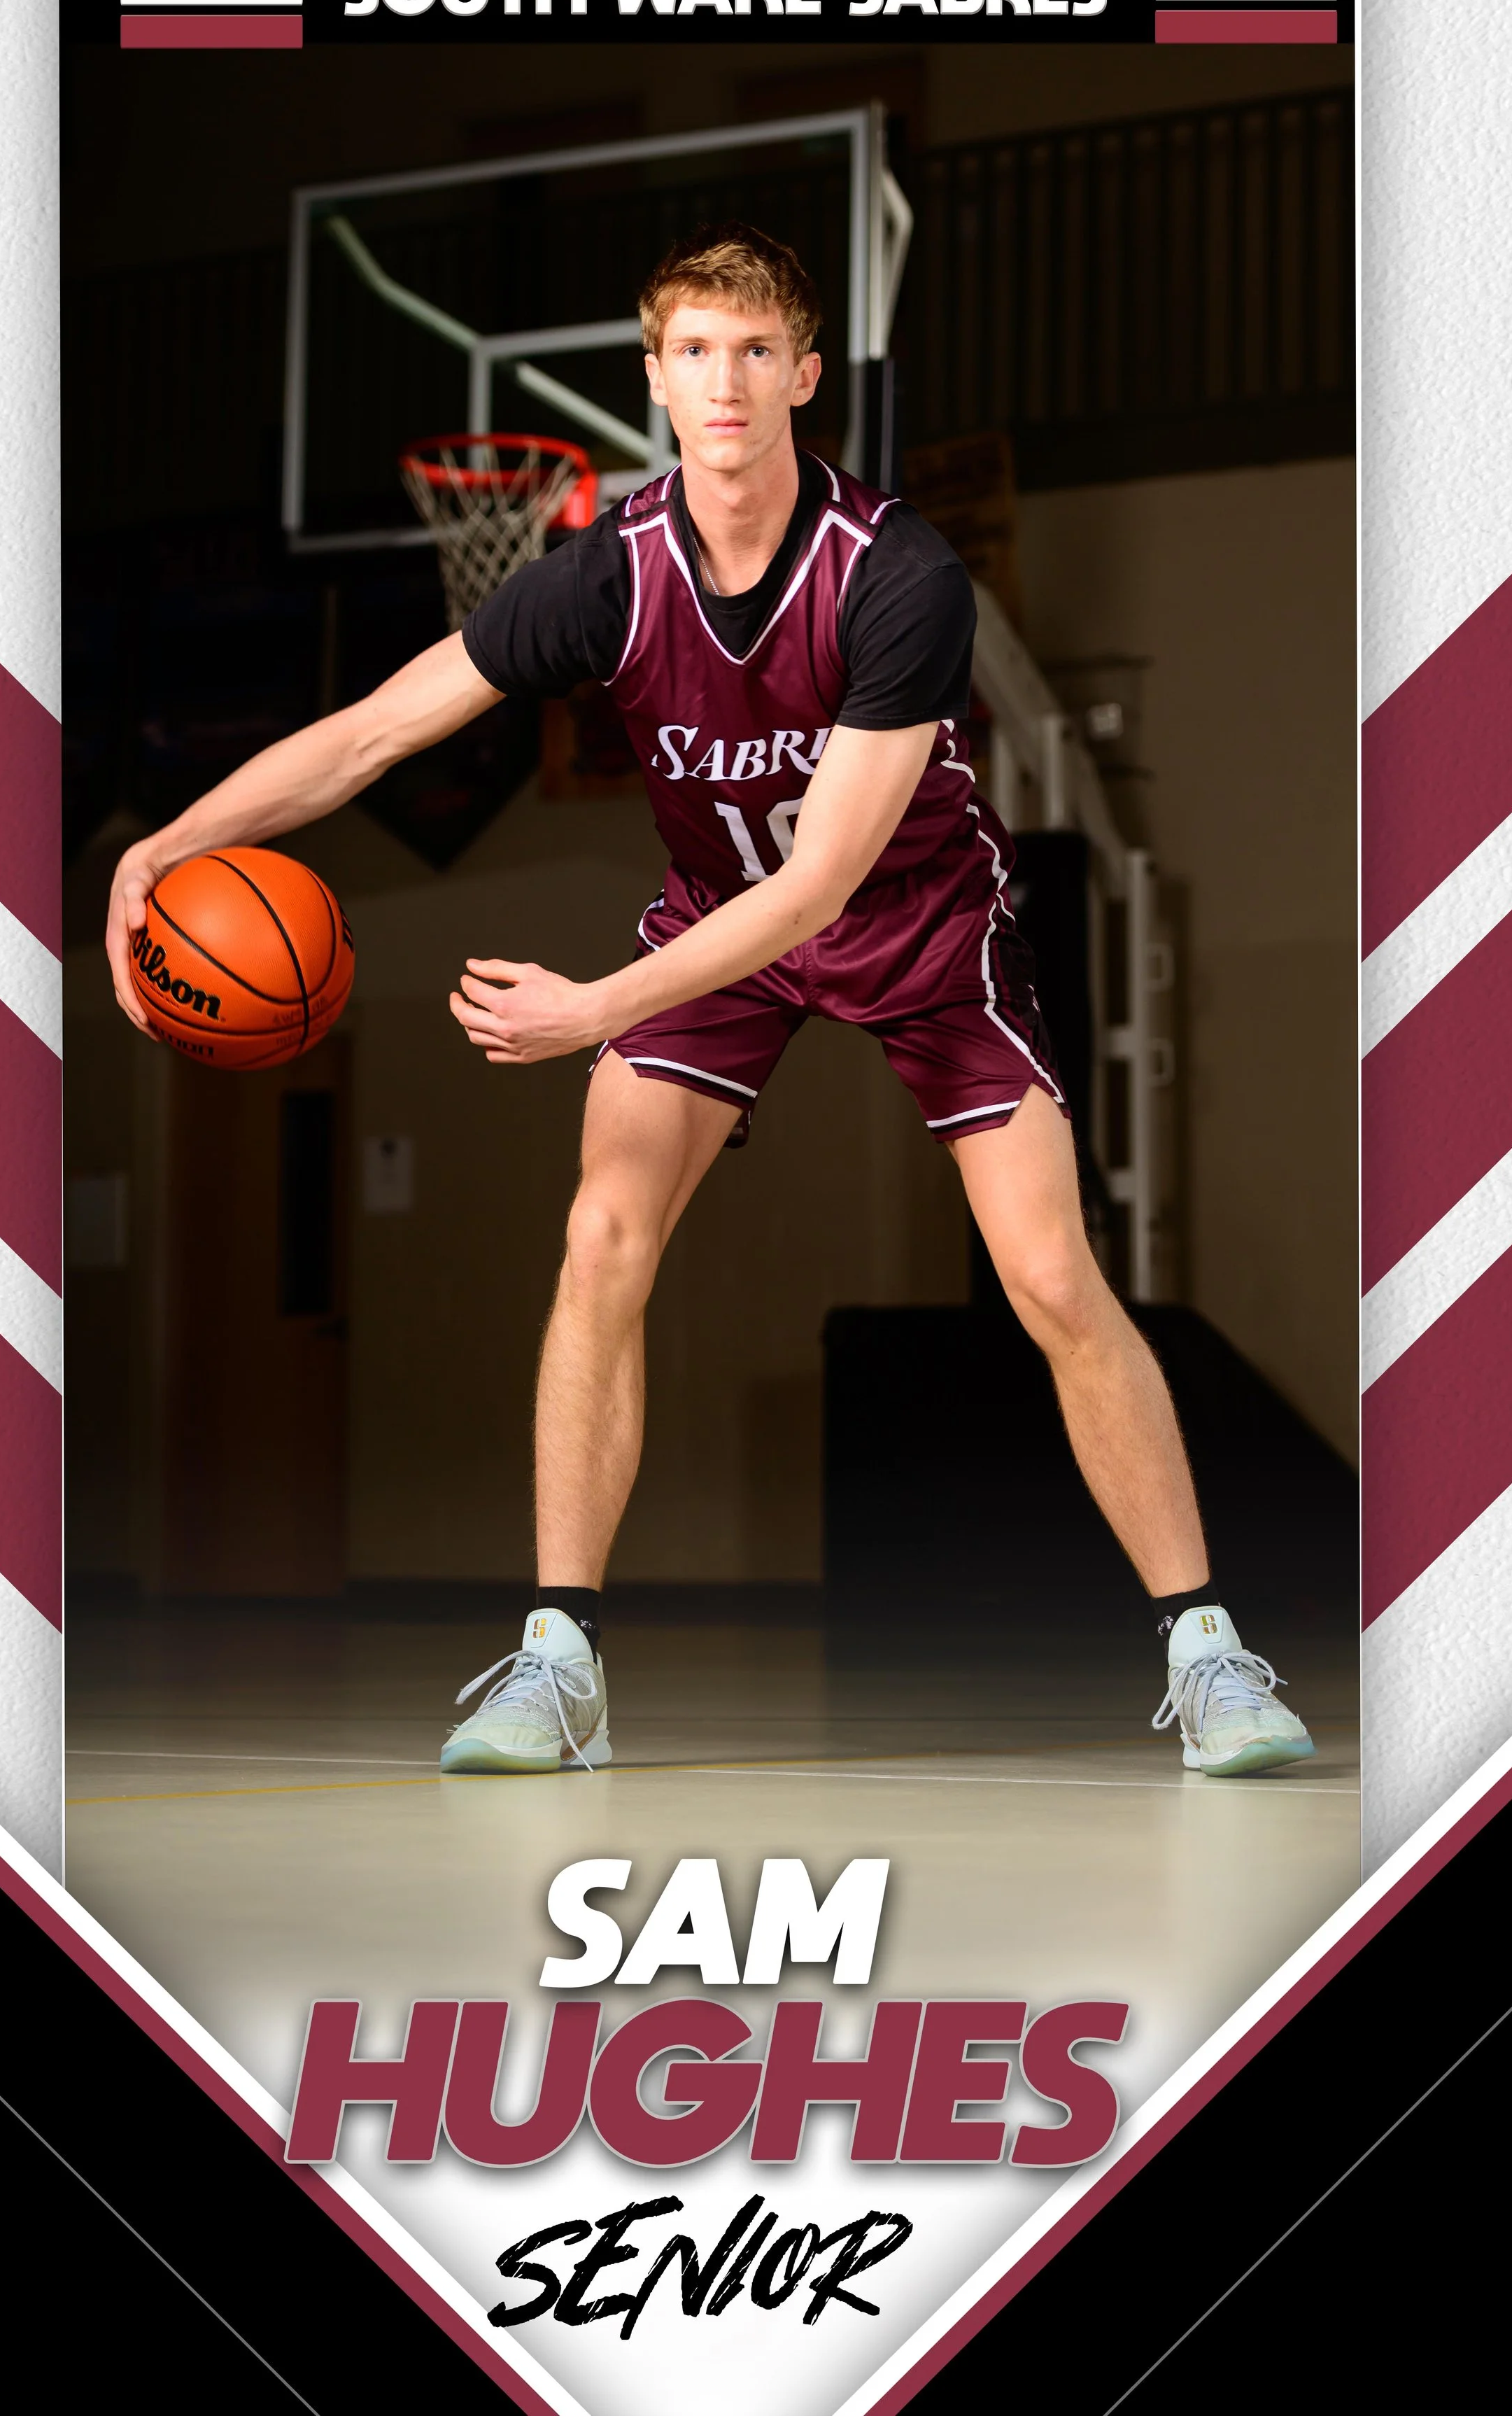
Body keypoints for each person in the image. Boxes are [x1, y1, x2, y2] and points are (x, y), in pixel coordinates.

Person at [106, 223, 1313, 1785]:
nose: (723, 381)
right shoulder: (602, 575)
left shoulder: (899, 578)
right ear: (654, 379)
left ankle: (1205, 1650)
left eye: (754, 351)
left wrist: (593, 1006)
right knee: (601, 1236)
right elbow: (371, 733)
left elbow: (814, 892)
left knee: (1047, 1277)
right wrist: (171, 842)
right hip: (710, 929)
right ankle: (558, 1661)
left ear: (806, 374)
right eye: (691, 351)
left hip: (913, 923)